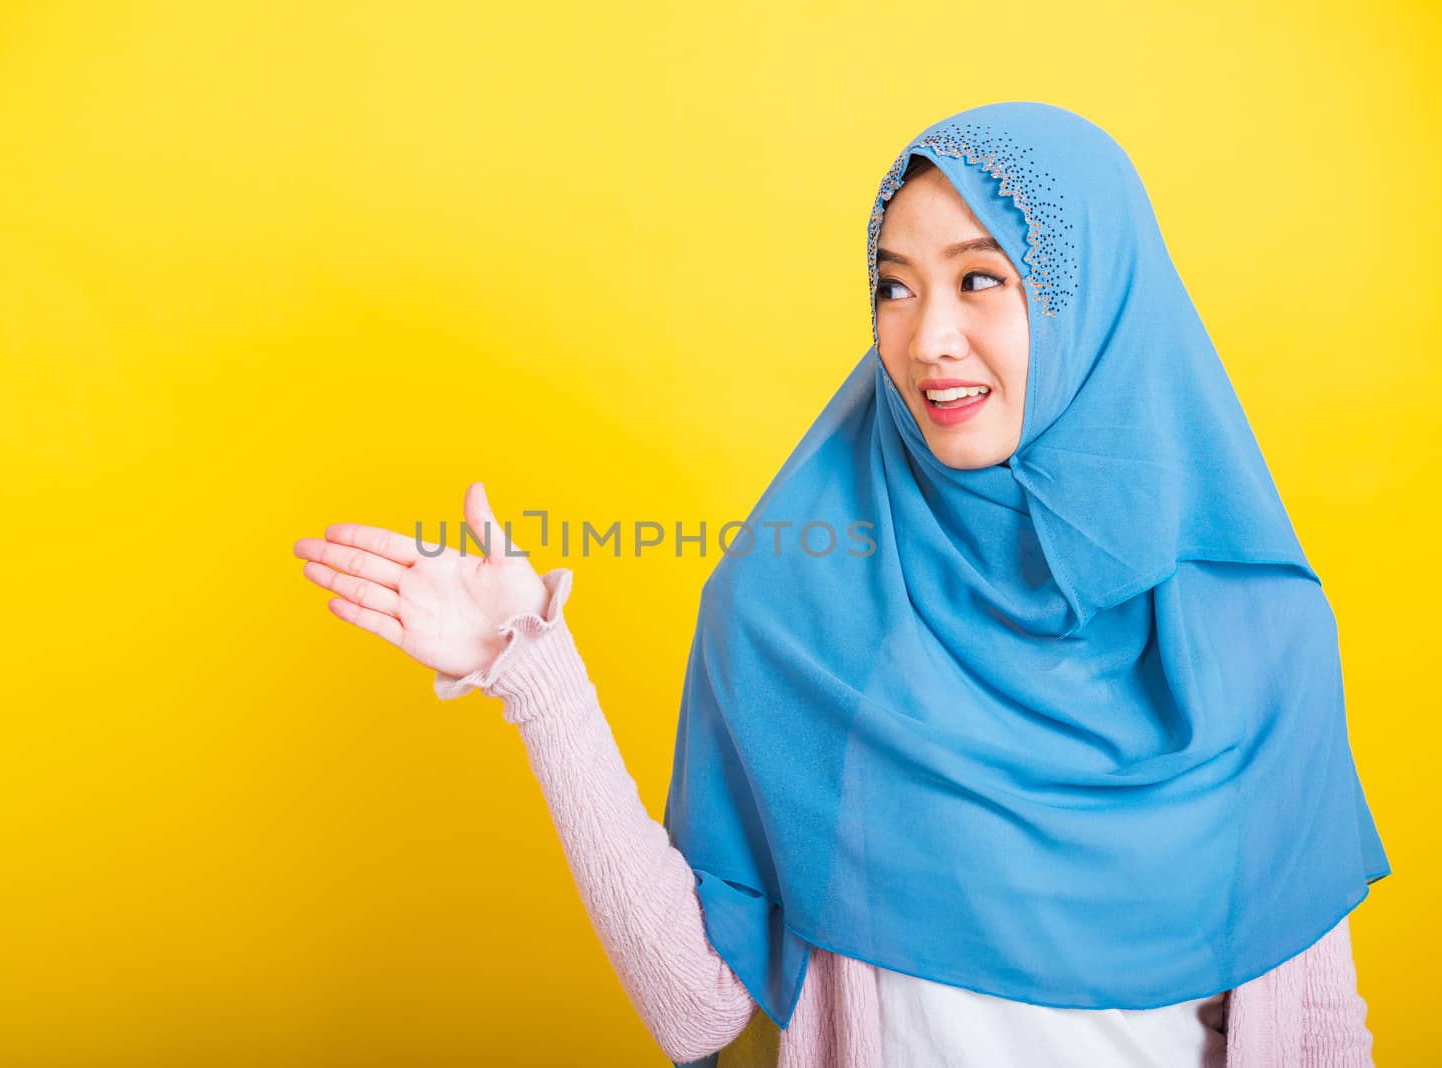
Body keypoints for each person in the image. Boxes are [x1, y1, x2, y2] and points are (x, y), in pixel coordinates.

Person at [291, 101, 1389, 1066]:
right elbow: (694, 1008)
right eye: (894, 288)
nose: (928, 340)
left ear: (1094, 302)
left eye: (979, 279)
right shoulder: (794, 618)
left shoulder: (1262, 635)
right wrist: (531, 671)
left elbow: (1321, 1029)